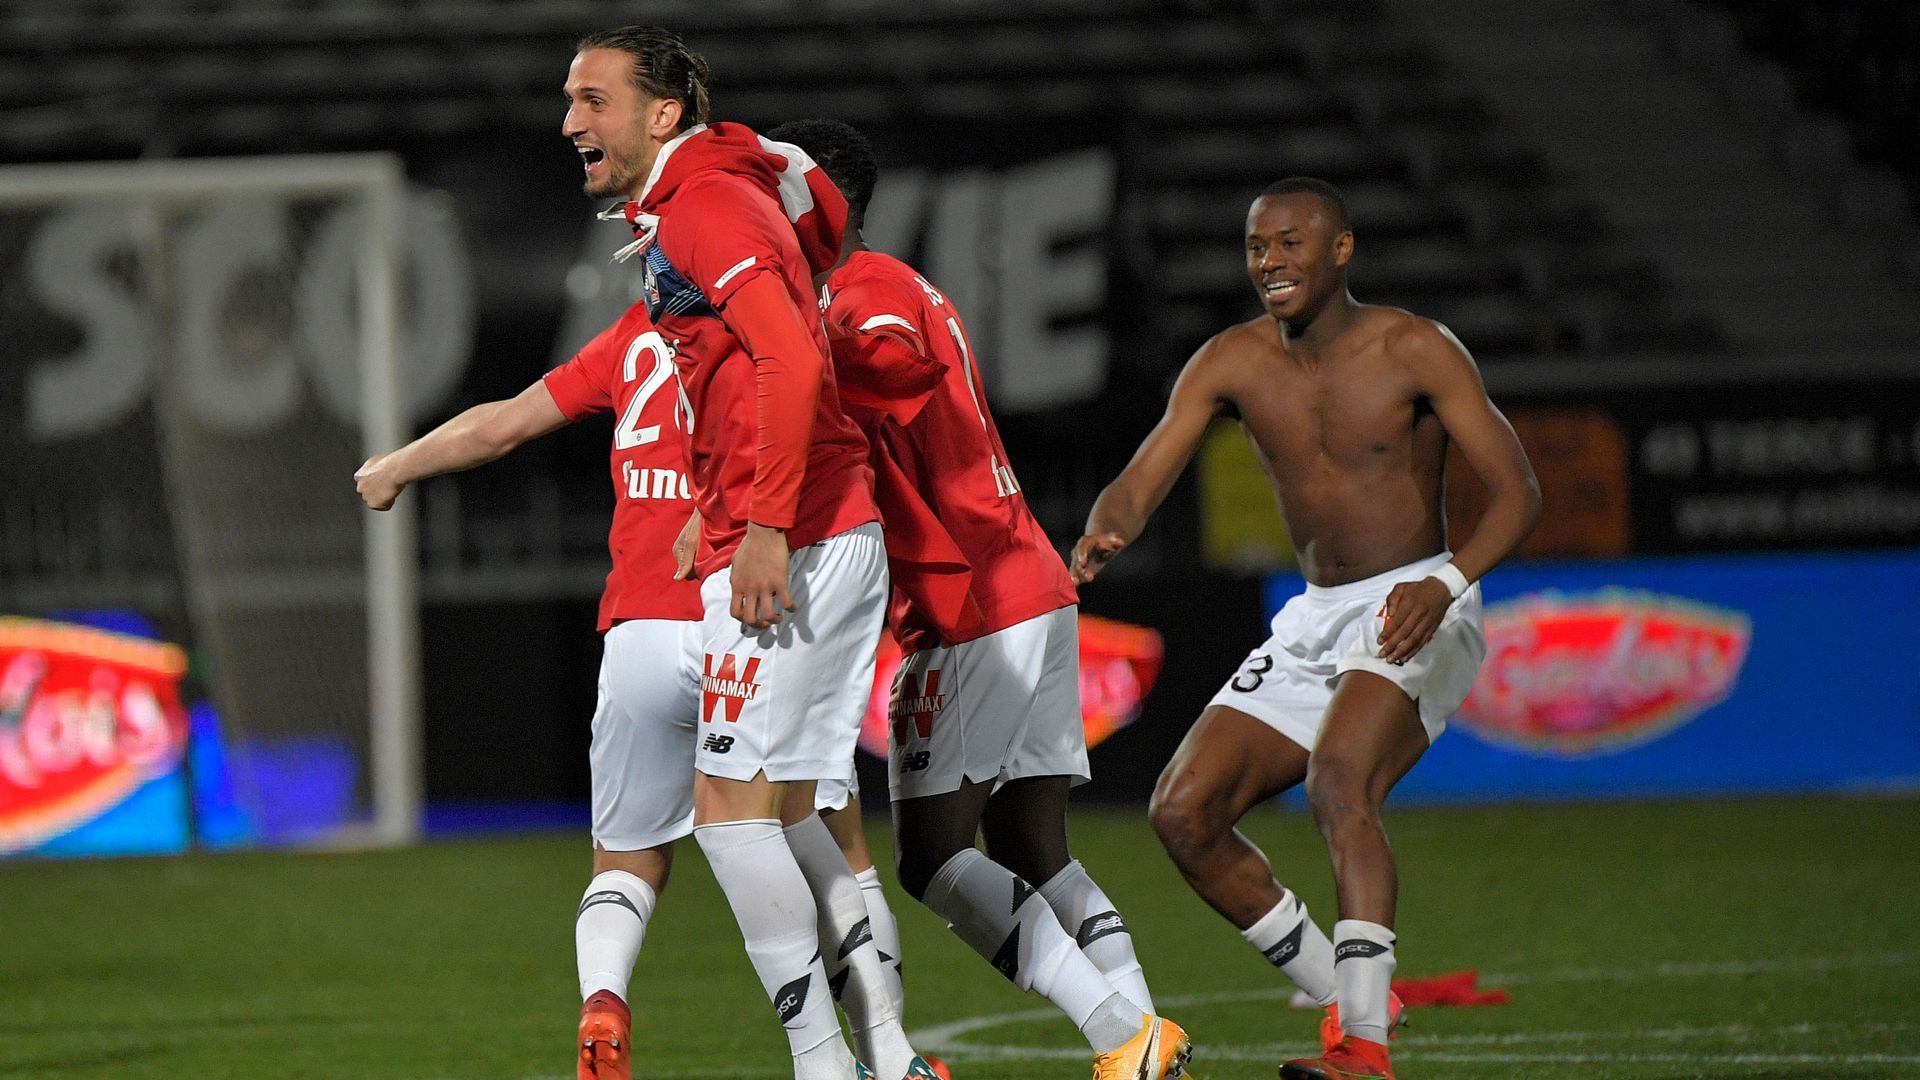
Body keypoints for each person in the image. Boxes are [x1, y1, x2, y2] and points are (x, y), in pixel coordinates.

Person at [1071, 178, 1541, 1080]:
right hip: (1315, 617)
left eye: (1290, 243)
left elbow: (1521, 494)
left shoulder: (1415, 348)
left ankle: (1362, 1052)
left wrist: (1446, 585)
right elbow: (1143, 474)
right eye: (1256, 247)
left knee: (1337, 782)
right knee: (1183, 812)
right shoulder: (1230, 361)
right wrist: (1106, 528)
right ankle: (1354, 990)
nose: (1270, 262)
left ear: (1341, 250)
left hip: (1416, 599)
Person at [765, 118, 1191, 1080]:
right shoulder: (898, 285)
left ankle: (1121, 1032)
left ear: (815, 194)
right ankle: (1146, 1040)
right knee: (1035, 847)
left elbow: (888, 376)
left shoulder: (859, 302)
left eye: (771, 188)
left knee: (929, 857)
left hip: (969, 605)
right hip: (1022, 577)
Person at [562, 27, 936, 1080]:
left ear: (662, 114)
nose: (571, 122)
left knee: (741, 825)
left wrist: (763, 519)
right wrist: (724, 502)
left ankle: (839, 1063)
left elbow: (788, 357)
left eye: (594, 100)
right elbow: (748, 361)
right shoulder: (705, 200)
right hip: (779, 527)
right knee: (799, 818)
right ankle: (884, 1057)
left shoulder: (709, 207)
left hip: (799, 537)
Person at [353, 300, 700, 1080]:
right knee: (815, 850)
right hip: (740, 612)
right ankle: (868, 1055)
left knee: (624, 862)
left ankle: (603, 1001)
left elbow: (502, 425)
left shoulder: (635, 335)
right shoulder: (769, 316)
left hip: (639, 630)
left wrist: (397, 465)